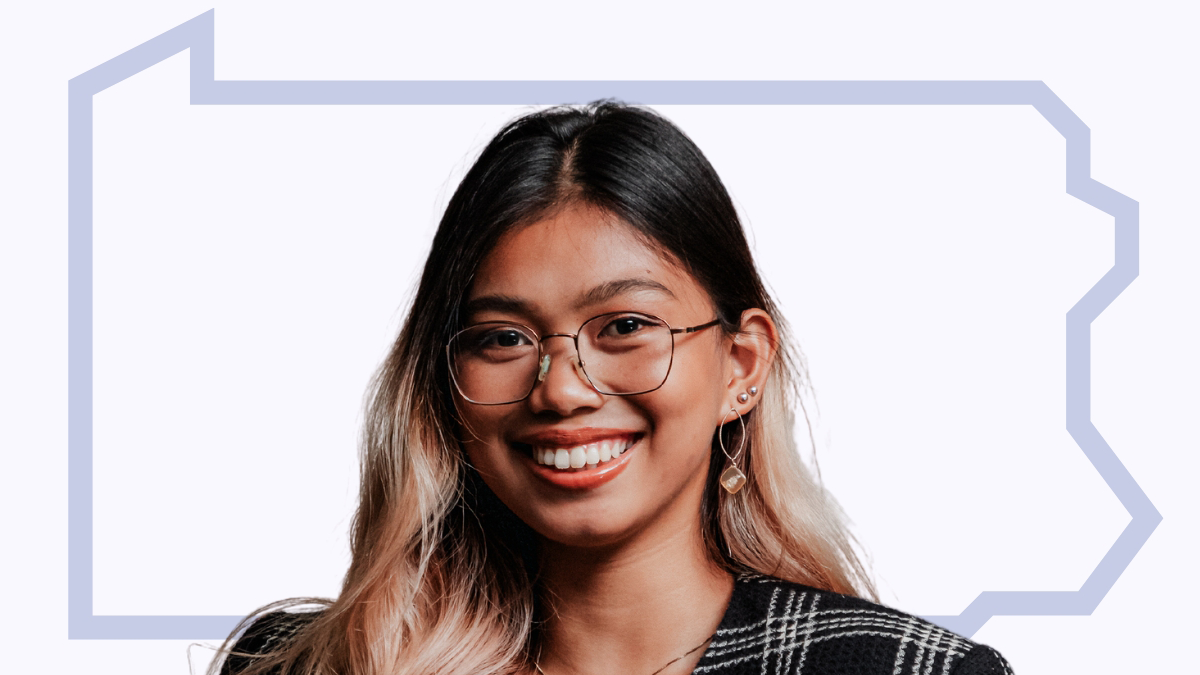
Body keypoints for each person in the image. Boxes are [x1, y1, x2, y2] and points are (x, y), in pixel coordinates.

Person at [212, 101, 1012, 675]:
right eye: (503, 338)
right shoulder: (303, 665)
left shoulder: (898, 670)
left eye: (625, 326)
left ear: (742, 365)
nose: (561, 389)